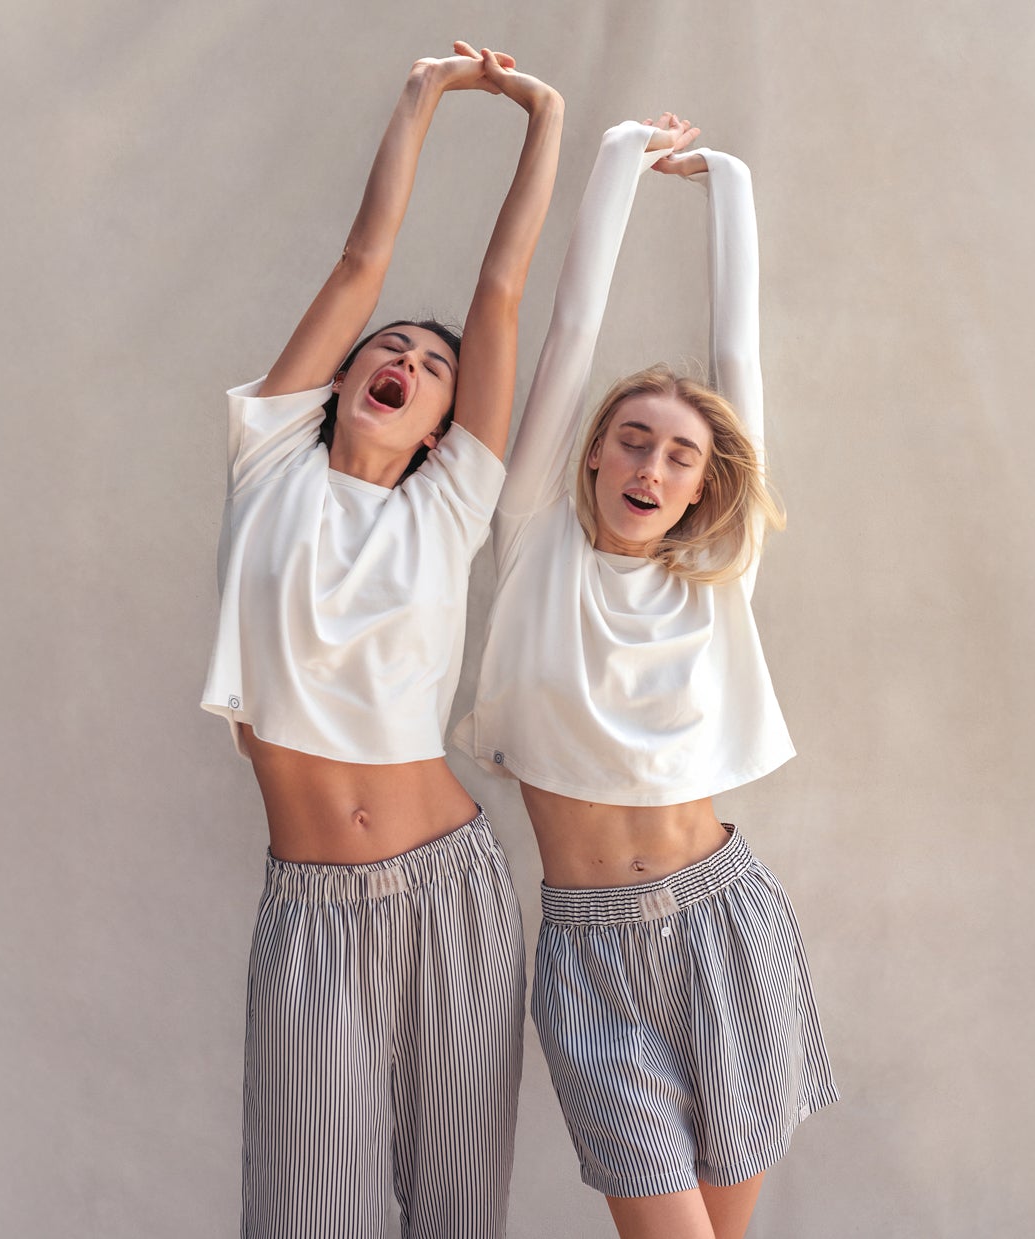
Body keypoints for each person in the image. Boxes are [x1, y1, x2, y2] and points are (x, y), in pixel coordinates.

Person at [200, 42, 561, 1239]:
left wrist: (543, 118)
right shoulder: (268, 459)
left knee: (457, 1215)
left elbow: (501, 294)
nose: (406, 360)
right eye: (390, 349)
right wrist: (420, 97)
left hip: (455, 891)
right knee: (313, 1215)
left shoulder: (448, 507)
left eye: (434, 365)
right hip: (313, 912)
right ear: (343, 377)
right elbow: (363, 262)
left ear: (446, 426)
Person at [454, 115, 837, 1239]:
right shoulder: (532, 542)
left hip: (728, 929)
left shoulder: (718, 578)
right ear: (590, 451)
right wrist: (618, 156)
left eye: (679, 455)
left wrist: (731, 185)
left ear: (702, 486)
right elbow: (569, 333)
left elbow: (738, 362)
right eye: (631, 438)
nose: (650, 465)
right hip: (590, 953)